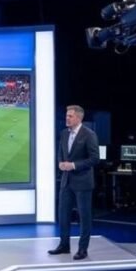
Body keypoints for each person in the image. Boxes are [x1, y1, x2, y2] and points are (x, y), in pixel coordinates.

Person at [49, 105, 99, 260]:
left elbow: (94, 159)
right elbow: (61, 153)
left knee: (84, 217)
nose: (67, 118)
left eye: (70, 116)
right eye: (67, 115)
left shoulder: (89, 134)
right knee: (63, 215)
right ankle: (64, 245)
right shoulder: (64, 134)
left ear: (78, 118)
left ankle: (83, 249)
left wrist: (74, 165)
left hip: (83, 182)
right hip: (66, 181)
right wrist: (60, 163)